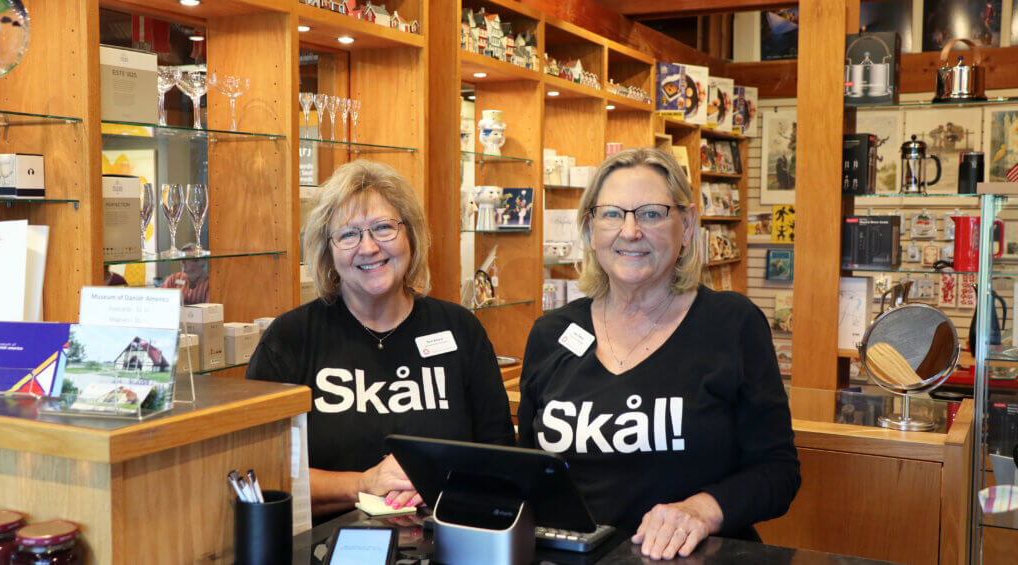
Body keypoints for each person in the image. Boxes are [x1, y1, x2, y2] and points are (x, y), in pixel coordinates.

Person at [517, 148, 800, 561]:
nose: (630, 231)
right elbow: (527, 469)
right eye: (612, 214)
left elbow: (778, 472)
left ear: (685, 226)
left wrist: (701, 509)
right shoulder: (551, 333)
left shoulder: (732, 325)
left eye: (651, 213)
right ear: (591, 230)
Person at [247, 160, 515, 523]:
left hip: (448, 544)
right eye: (348, 235)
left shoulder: (459, 330)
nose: (368, 247)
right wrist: (364, 482)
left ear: (411, 236)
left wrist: (436, 484)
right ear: (328, 252)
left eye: (383, 228)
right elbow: (260, 477)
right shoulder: (289, 340)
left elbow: (501, 459)